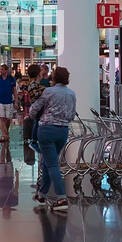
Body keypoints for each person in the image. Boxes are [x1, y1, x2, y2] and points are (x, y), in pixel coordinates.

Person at [26, 66, 76, 212]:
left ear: (54, 78)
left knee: (52, 165)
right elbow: (72, 115)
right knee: (49, 163)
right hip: (63, 131)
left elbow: (34, 109)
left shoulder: (48, 92)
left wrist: (33, 116)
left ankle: (62, 198)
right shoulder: (71, 93)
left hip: (47, 130)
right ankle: (42, 194)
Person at [0, 63, 17, 143]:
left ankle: (6, 133)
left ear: (6, 70)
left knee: (8, 119)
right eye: (0, 69)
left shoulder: (11, 79)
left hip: (9, 101)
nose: (1, 71)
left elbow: (14, 91)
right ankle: (4, 135)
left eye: (2, 69)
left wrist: (16, 102)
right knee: (1, 118)